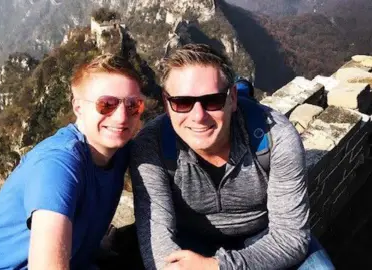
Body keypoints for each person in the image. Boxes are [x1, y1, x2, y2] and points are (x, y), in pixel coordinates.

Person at [129, 43, 334, 270]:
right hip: (190, 243)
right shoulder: (152, 146)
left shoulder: (276, 138)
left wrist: (219, 266)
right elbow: (158, 242)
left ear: (232, 98)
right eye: (182, 102)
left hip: (265, 237)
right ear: (167, 105)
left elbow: (290, 237)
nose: (198, 116)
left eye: (213, 101)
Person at [0, 53, 145, 270]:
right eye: (107, 104)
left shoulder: (120, 152)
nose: (121, 117)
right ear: (78, 107)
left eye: (133, 105)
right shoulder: (58, 164)